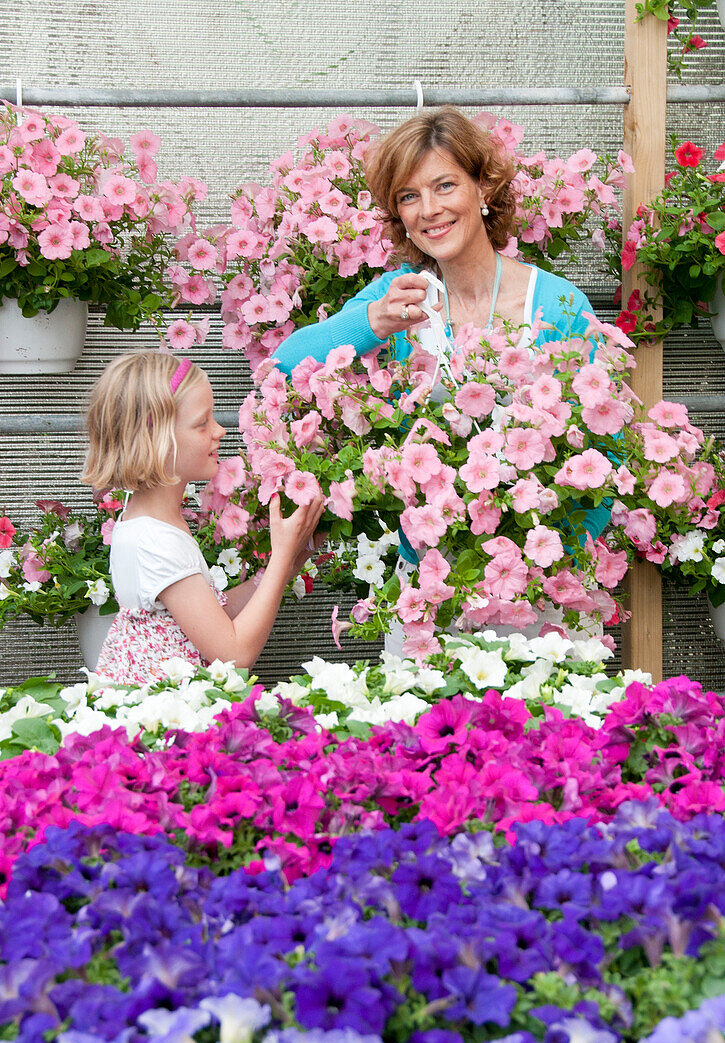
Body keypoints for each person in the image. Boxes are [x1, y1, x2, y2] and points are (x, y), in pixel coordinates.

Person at [272, 107, 611, 603]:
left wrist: (545, 556)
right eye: (409, 196)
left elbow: (608, 451)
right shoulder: (402, 296)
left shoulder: (556, 303)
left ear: (484, 188)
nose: (428, 209)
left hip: (536, 580)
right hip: (429, 577)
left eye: (445, 185)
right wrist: (374, 322)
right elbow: (286, 360)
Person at [81, 351, 323, 685]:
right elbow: (234, 653)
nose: (219, 431)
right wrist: (281, 555)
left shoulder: (151, 522)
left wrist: (297, 554)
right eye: (202, 422)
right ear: (156, 439)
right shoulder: (155, 541)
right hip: (168, 719)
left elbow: (214, 616)